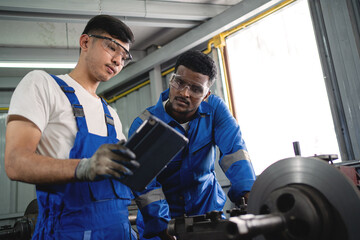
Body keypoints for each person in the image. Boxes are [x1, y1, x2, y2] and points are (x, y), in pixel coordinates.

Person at [5, 15, 140, 239]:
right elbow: (15, 162)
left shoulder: (111, 116)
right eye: (111, 47)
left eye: (124, 56)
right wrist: (84, 167)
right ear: (85, 42)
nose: (118, 60)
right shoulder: (43, 85)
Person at [129, 50, 256, 239]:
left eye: (196, 89)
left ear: (206, 95)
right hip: (161, 224)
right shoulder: (146, 125)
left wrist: (249, 195)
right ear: (171, 81)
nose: (184, 93)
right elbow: (146, 186)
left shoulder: (215, 110)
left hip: (208, 217)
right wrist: (163, 227)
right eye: (179, 82)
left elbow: (235, 151)